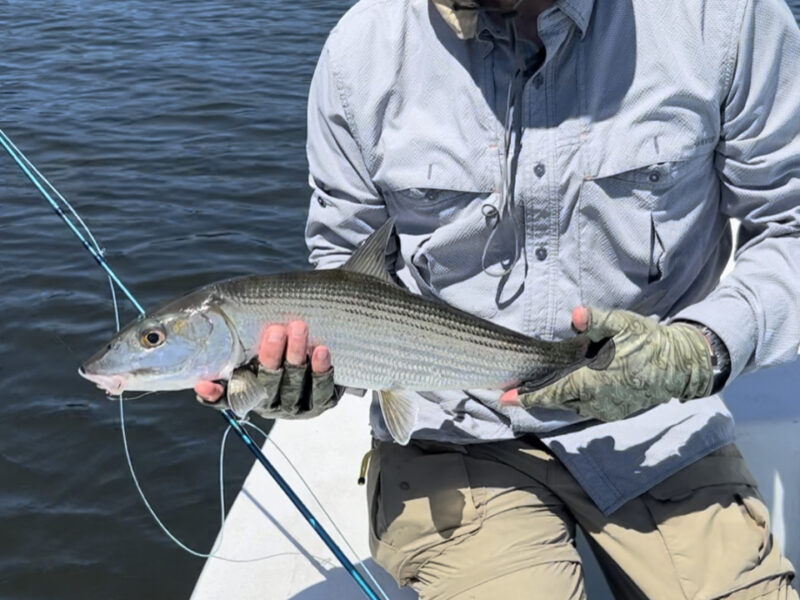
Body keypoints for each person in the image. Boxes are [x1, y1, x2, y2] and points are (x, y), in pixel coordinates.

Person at [196, 0, 800, 597]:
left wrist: (700, 350)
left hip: (656, 423)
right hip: (452, 439)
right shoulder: (362, 52)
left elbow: (791, 226)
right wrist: (309, 382)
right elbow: (344, 279)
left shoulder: (724, 18)